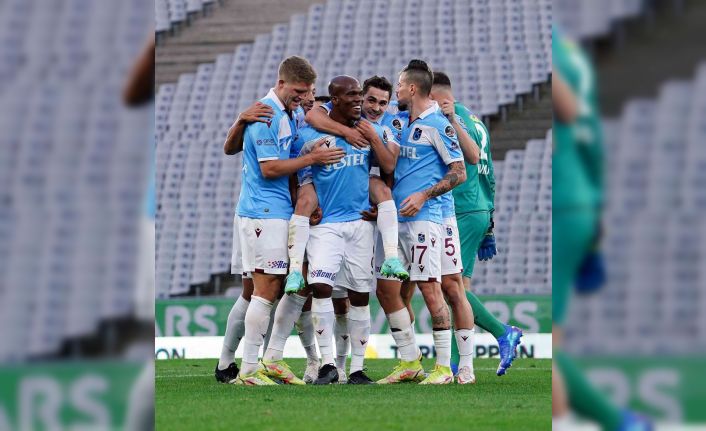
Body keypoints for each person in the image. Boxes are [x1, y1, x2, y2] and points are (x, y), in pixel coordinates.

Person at [552, 27, 651, 430]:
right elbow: (588, 132)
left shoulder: (554, 45)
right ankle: (619, 421)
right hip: (579, 196)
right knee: (552, 343)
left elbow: (568, 109)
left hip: (562, 199)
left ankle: (618, 422)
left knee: (549, 345)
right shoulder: (570, 49)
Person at [232, 56, 345, 385]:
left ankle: (266, 361)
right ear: (281, 83)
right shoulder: (266, 114)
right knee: (264, 290)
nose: (303, 97)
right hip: (263, 212)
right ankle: (249, 369)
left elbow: (233, 147)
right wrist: (313, 158)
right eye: (298, 91)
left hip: (276, 211)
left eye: (308, 91)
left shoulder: (285, 113)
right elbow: (269, 169)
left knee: (275, 288)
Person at [295, 75, 389, 384]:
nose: (359, 100)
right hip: (326, 226)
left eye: (360, 94)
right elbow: (295, 172)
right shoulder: (311, 134)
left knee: (359, 295)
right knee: (320, 287)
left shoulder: (368, 130)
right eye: (352, 95)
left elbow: (389, 167)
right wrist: (305, 200)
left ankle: (357, 368)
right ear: (334, 100)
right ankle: (327, 365)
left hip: (360, 224)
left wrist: (381, 200)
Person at [378, 59, 467, 385]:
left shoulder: (438, 125)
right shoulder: (401, 120)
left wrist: (424, 195)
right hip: (397, 221)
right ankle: (409, 361)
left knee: (431, 289)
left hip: (424, 221)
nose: (396, 90)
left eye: (400, 85)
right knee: (386, 289)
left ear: (413, 88)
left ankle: (443, 368)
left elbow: (459, 172)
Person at [430, 71, 524, 377]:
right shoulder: (476, 121)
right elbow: (489, 173)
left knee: (449, 285)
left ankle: (502, 332)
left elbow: (467, 163)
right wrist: (489, 222)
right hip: (478, 207)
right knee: (459, 288)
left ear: (436, 97)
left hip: (461, 207)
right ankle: (457, 363)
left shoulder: (453, 119)